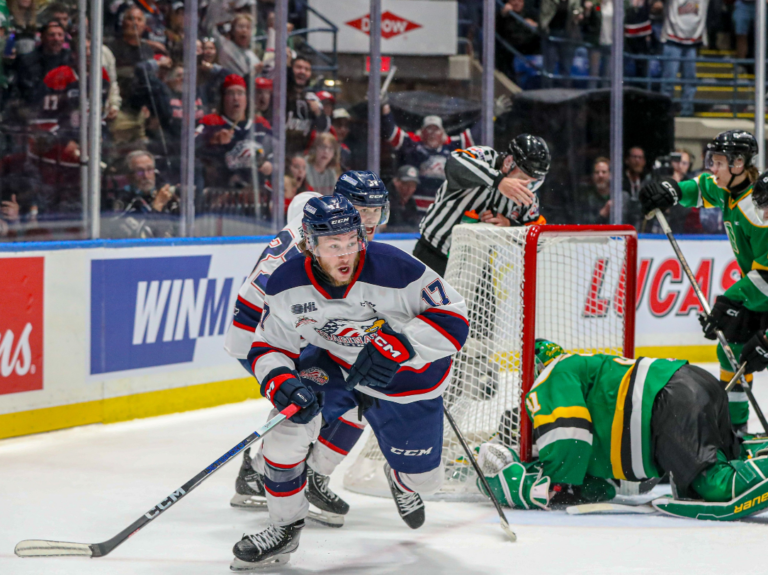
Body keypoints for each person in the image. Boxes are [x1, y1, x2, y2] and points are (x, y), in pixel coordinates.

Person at [229, 193, 468, 568]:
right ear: (310, 244)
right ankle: (284, 528)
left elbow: (454, 319)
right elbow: (267, 345)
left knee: (426, 482)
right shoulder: (287, 282)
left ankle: (403, 480)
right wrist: (279, 379)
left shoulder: (396, 268)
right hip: (335, 365)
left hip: (408, 380)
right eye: (332, 245)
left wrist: (402, 344)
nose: (345, 255)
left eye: (351, 243)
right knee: (287, 431)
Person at [222, 173, 397, 529]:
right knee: (321, 401)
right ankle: (292, 476)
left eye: (377, 211)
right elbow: (293, 310)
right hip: (264, 336)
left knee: (357, 389)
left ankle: (260, 475)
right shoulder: (308, 250)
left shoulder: (316, 216)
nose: (371, 222)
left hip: (280, 328)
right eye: (363, 211)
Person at [476, 339, 768, 522]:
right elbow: (606, 487)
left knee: (711, 484)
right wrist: (571, 487)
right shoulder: (586, 373)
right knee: (730, 457)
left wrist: (538, 484)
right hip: (692, 384)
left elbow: (570, 438)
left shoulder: (552, 373)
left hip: (665, 402)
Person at [639, 130, 762, 435]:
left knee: (749, 346)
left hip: (763, 288)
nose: (712, 168)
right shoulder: (730, 189)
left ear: (738, 164)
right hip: (760, 289)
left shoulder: (759, 210)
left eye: (718, 163)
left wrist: (730, 299)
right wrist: (672, 191)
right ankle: (735, 429)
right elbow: (702, 188)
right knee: (732, 346)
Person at [416, 135, 551, 277]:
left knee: (484, 299)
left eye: (534, 182)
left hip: (477, 264)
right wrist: (498, 181)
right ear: (508, 162)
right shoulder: (486, 157)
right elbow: (454, 162)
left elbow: (538, 242)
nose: (527, 186)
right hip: (433, 253)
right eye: (523, 179)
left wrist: (510, 225)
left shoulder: (527, 197)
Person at [382, 104, 478, 209]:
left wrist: (492, 113)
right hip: (415, 207)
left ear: (442, 133)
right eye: (429, 129)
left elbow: (476, 135)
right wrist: (385, 109)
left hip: (443, 206)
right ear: (422, 132)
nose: (432, 133)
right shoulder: (413, 146)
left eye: (436, 129)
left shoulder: (451, 147)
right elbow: (391, 133)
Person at [196, 73, 272, 190]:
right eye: (231, 93)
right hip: (219, 191)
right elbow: (191, 146)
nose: (236, 98)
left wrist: (270, 165)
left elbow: (276, 151)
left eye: (240, 93)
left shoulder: (260, 123)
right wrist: (211, 139)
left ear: (246, 98)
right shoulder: (211, 122)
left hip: (255, 193)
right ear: (223, 98)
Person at [104, 149, 179, 238]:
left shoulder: (164, 195)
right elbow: (142, 235)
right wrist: (158, 205)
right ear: (130, 176)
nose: (146, 176)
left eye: (150, 170)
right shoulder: (123, 201)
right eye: (140, 171)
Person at [660, 0, 710, 117]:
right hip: (672, 39)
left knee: (690, 80)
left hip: (692, 41)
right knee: (669, 79)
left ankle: (686, 110)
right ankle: (665, 111)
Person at [386, 164, 422, 231]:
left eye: (413, 185)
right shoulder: (384, 201)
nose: (409, 189)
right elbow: (380, 228)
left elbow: (415, 223)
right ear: (396, 182)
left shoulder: (411, 203)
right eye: (405, 184)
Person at [305, 132, 340, 196]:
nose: (326, 151)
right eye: (322, 147)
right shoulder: (304, 166)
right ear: (315, 149)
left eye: (331, 148)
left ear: (334, 154)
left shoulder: (331, 172)